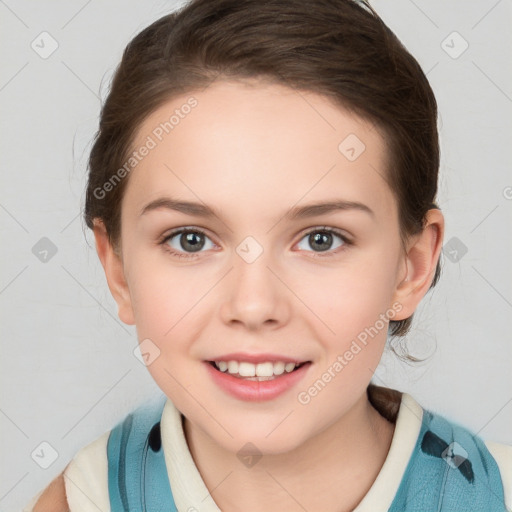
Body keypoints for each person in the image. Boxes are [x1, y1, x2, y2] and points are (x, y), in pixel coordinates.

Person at [25, 0, 512, 510]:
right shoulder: (83, 501)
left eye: (321, 239)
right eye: (190, 239)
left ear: (410, 268)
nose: (254, 305)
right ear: (118, 268)